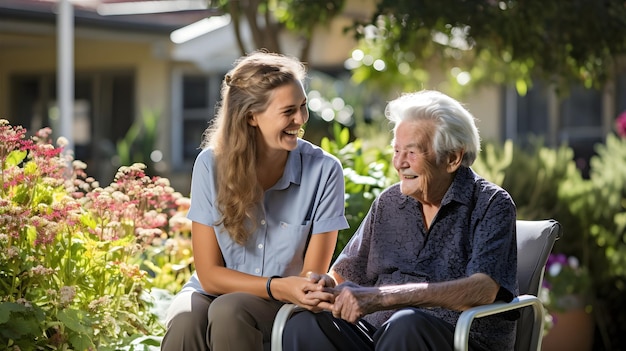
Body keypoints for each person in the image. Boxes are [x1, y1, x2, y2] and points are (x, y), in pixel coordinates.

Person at [283, 90, 518, 351]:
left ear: (453, 158)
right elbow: (343, 275)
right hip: (380, 336)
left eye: (412, 152)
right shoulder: (389, 202)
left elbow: (483, 290)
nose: (399, 163)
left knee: (406, 324)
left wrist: (387, 298)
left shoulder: (491, 204)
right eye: (396, 150)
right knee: (305, 323)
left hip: (459, 341)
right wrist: (325, 286)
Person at [161, 51, 349, 351]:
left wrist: (282, 289)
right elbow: (208, 274)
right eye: (288, 111)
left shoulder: (325, 170)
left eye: (303, 107)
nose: (300, 119)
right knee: (185, 318)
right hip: (217, 289)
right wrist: (274, 284)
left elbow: (308, 281)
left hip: (286, 301)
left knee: (230, 310)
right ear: (251, 116)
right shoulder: (210, 165)